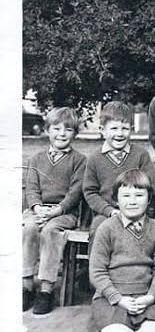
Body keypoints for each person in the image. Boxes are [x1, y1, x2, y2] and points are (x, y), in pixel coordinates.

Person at [88, 169, 155, 332]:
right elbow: (97, 272)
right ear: (116, 199)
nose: (132, 201)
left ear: (149, 198)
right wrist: (119, 299)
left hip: (145, 298)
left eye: (139, 195)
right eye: (126, 195)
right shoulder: (106, 228)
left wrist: (150, 297)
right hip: (112, 298)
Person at [23, 107, 86, 314]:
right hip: (38, 209)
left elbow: (75, 192)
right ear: (47, 130)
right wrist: (37, 207)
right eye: (56, 128)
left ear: (75, 133)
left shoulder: (79, 160)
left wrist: (57, 210)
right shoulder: (36, 159)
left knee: (51, 231)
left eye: (68, 130)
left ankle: (46, 289)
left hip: (64, 213)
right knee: (29, 227)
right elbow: (31, 188)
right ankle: (26, 285)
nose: (61, 134)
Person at [83, 101, 155, 249]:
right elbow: (90, 192)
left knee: (142, 232)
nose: (119, 133)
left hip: (137, 211)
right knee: (98, 229)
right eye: (114, 128)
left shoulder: (141, 155)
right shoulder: (94, 158)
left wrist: (134, 210)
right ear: (102, 130)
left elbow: (149, 187)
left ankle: (132, 270)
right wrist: (109, 211)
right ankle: (97, 270)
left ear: (132, 129)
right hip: (106, 213)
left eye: (124, 128)